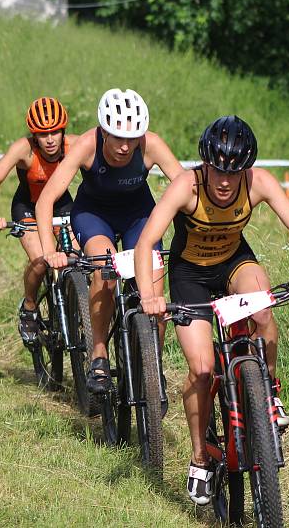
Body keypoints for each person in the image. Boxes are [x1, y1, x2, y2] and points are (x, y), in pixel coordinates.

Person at [134, 115, 289, 505]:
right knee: (202, 369)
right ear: (205, 164)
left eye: (234, 171)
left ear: (246, 168)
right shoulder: (186, 186)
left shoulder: (260, 183)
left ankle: (269, 392)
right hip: (189, 274)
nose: (224, 180)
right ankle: (200, 457)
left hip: (233, 263)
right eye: (217, 169)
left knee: (263, 311)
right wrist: (147, 295)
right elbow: (147, 242)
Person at [36, 88, 185, 394]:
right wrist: (49, 252)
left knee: (154, 293)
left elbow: (187, 190)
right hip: (94, 215)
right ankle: (99, 355)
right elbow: (45, 200)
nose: (125, 146)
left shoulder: (152, 145)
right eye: (117, 137)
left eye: (132, 138)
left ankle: (152, 365)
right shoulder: (86, 145)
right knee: (105, 272)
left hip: (138, 217)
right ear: (104, 130)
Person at [0, 97, 78, 344]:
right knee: (40, 260)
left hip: (62, 204)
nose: (49, 139)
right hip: (28, 208)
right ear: (34, 136)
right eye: (42, 133)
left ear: (63, 131)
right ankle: (29, 307)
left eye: (54, 132)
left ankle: (77, 304)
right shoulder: (23, 149)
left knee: (79, 259)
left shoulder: (74, 145)